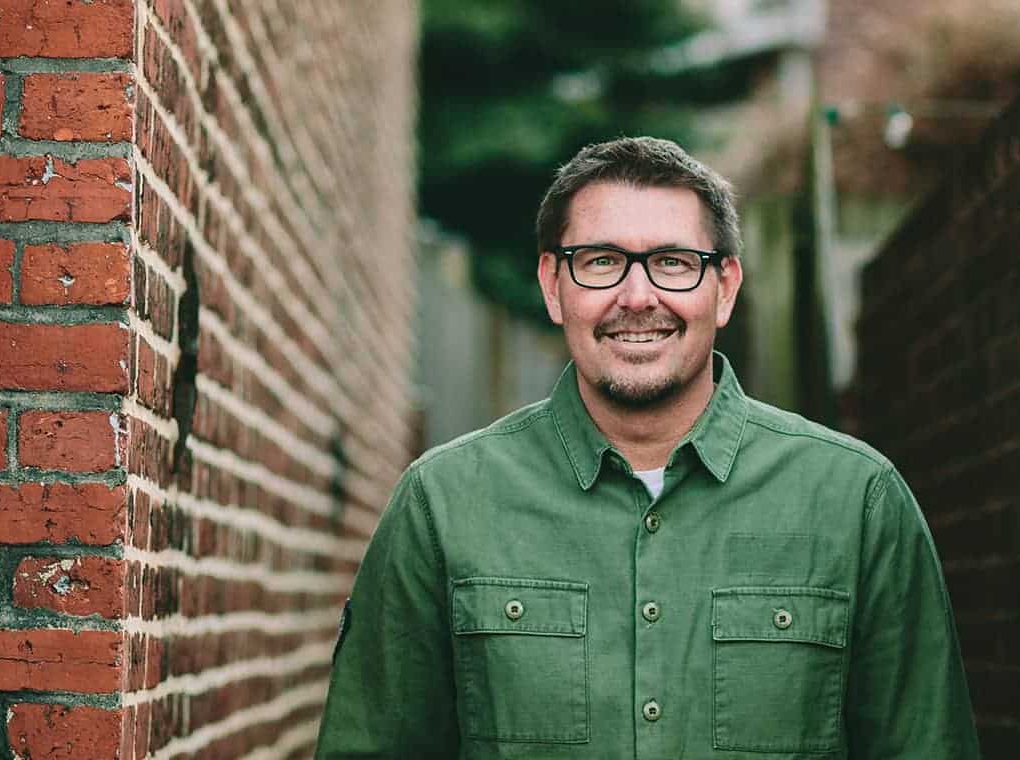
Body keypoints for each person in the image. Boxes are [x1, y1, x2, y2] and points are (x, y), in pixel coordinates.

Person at [315, 136, 981, 759]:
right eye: (601, 261)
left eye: (673, 263)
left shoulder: (856, 502)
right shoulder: (443, 503)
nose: (638, 297)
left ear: (724, 289)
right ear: (554, 286)